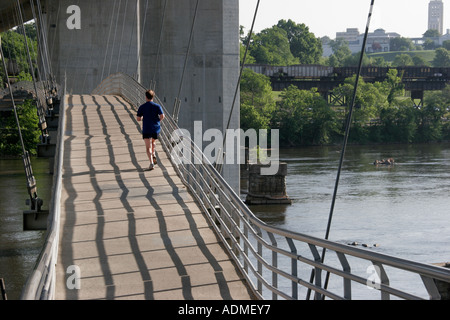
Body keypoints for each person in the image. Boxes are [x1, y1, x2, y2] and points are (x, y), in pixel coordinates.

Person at [137, 90, 165, 170]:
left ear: (146, 97)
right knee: (153, 142)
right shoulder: (157, 106)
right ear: (153, 97)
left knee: (147, 147)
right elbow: (162, 116)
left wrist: (142, 117)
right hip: (155, 128)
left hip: (146, 128)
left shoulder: (142, 107)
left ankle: (151, 162)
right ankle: (153, 153)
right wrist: (158, 121)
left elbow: (138, 118)